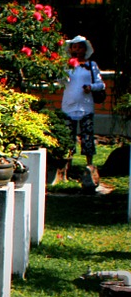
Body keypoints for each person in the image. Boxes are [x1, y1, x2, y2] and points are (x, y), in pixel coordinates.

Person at [61, 35, 105, 185]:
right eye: (75, 47)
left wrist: (90, 87)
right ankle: (67, 169)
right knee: (68, 139)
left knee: (87, 137)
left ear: (85, 49)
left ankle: (89, 167)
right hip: (68, 106)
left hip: (86, 106)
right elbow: (58, 81)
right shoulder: (66, 65)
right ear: (71, 49)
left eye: (80, 47)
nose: (77, 50)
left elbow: (101, 84)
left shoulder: (91, 65)